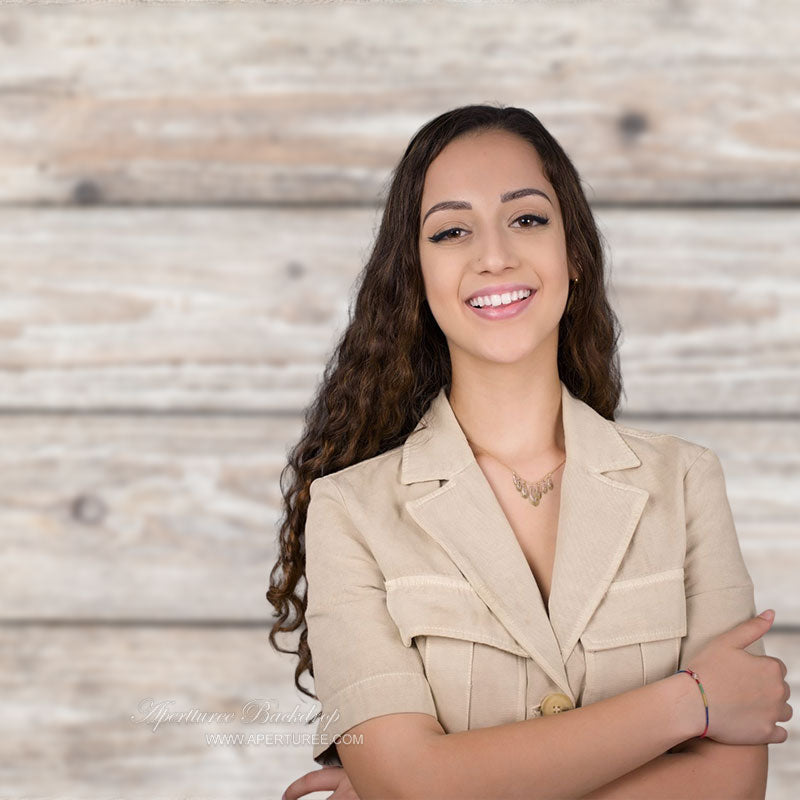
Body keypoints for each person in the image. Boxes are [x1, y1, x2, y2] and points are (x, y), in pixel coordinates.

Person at [268, 104, 791, 800]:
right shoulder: (349, 512)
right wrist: (689, 703)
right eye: (452, 231)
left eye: (527, 218)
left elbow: (729, 787)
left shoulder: (686, 482)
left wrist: (437, 786)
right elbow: (410, 783)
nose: (494, 255)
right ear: (415, 276)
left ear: (572, 250)